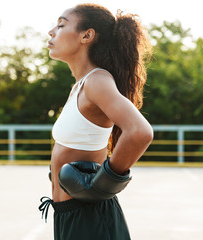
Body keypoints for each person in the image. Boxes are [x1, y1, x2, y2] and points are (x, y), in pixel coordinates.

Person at [38, 3, 153, 240]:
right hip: (68, 215)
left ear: (87, 35)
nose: (51, 31)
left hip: (89, 218)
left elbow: (140, 131)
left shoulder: (97, 81)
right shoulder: (81, 85)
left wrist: (102, 185)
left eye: (61, 25)